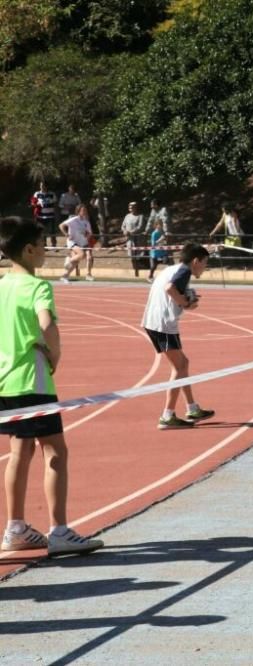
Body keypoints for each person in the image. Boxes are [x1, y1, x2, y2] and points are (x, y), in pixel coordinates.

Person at [0, 217, 104, 556]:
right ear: (29, 250)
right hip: (34, 380)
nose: (46, 250)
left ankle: (15, 527)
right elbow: (47, 325)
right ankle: (59, 529)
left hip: (5, 381)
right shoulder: (38, 287)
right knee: (55, 451)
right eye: (43, 245)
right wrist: (54, 355)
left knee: (19, 451)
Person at [140, 242, 215, 429]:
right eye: (205, 263)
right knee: (179, 366)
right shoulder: (184, 271)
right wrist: (186, 303)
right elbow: (169, 289)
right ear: (196, 261)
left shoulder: (173, 269)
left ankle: (192, 407)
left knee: (183, 364)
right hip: (162, 324)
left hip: (158, 322)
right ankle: (167, 415)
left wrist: (186, 298)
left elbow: (170, 289)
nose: (205, 268)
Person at [58, 204, 95, 283]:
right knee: (81, 255)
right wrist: (66, 234)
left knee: (85, 258)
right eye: (83, 210)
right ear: (78, 211)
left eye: (85, 210)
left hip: (83, 242)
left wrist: (87, 237)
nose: (84, 212)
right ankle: (69, 260)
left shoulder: (86, 222)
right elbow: (61, 225)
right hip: (73, 242)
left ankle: (65, 276)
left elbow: (90, 233)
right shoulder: (73, 219)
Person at [121, 201, 147, 277]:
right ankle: (135, 271)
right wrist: (124, 231)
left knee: (139, 255)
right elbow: (123, 226)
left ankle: (141, 272)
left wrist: (131, 232)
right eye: (129, 207)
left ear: (136, 208)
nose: (130, 208)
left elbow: (140, 227)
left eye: (132, 207)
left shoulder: (140, 216)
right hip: (129, 240)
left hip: (138, 239)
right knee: (131, 255)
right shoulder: (127, 216)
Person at [30, 182, 59, 247]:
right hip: (40, 216)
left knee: (52, 231)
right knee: (42, 231)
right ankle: (44, 244)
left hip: (50, 215)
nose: (42, 187)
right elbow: (33, 203)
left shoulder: (52, 194)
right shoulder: (37, 194)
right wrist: (36, 204)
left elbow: (55, 203)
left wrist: (56, 213)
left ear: (46, 186)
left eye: (43, 185)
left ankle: (54, 245)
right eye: (41, 185)